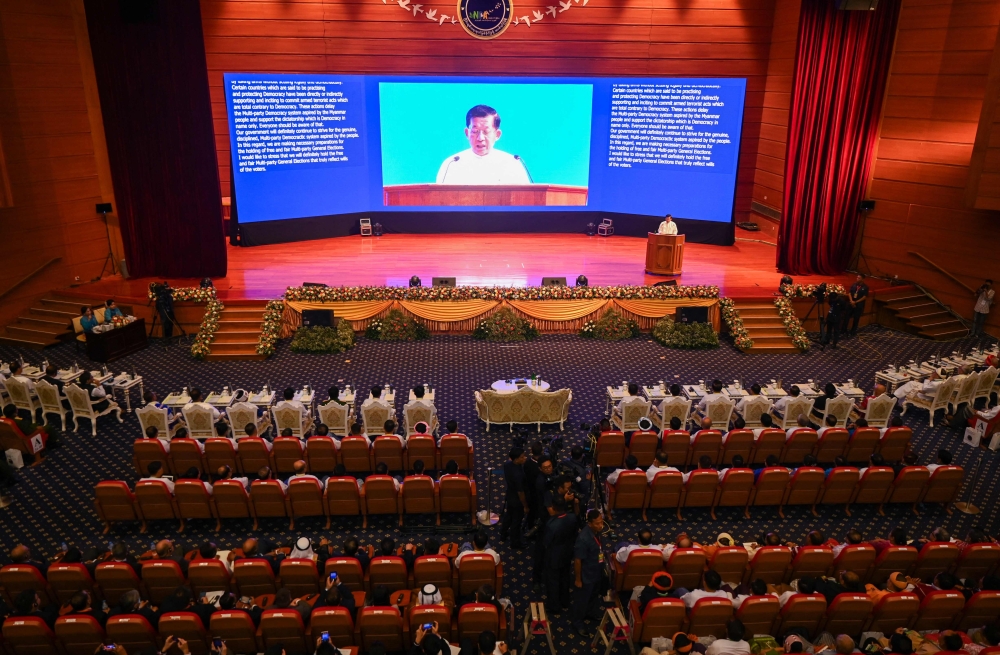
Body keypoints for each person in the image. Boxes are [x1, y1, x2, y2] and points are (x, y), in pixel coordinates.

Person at [435, 105, 530, 185]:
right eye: (475, 131)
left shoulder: (512, 164)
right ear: (467, 133)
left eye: (486, 131)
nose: (480, 138)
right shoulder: (452, 164)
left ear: (497, 135)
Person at [572, 509, 606, 637]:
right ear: (590, 523)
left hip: (597, 571)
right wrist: (578, 579)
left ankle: (590, 612)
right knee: (582, 600)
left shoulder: (596, 532)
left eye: (601, 522)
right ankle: (578, 622)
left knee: (593, 595)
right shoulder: (583, 538)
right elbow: (578, 561)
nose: (600, 525)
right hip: (586, 575)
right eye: (597, 523)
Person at [500, 447, 528, 549]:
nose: (525, 458)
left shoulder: (507, 464)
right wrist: (525, 506)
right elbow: (520, 492)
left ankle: (503, 533)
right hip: (517, 500)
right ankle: (515, 542)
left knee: (508, 516)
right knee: (516, 522)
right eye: (522, 457)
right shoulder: (518, 475)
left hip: (509, 495)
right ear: (515, 459)